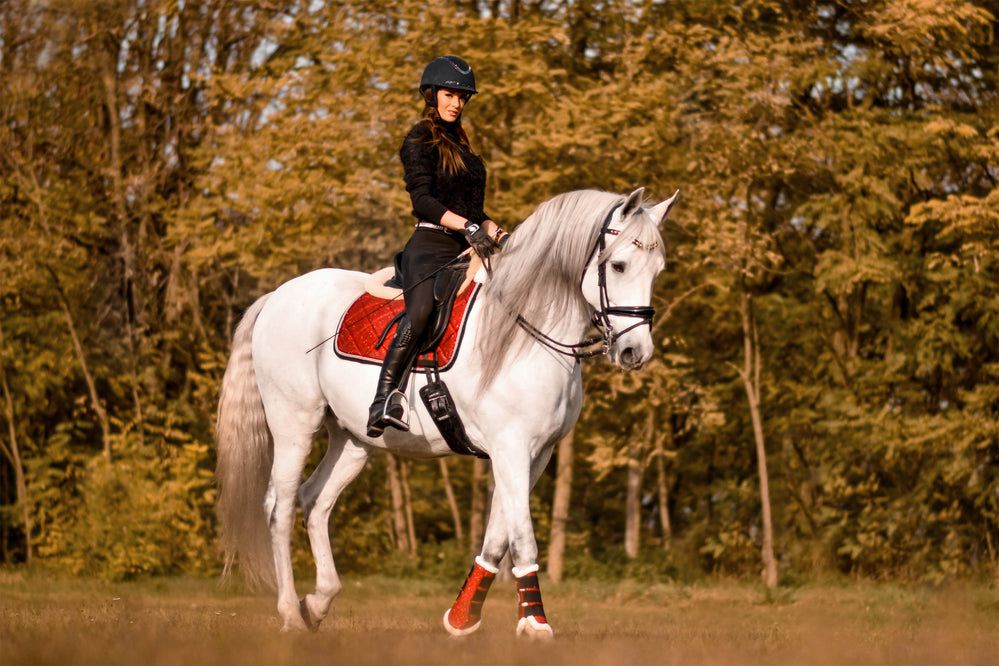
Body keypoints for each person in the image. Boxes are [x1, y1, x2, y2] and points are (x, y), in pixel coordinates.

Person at [367, 55, 504, 438]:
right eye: (449, 94)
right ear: (432, 95)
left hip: (465, 248)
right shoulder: (418, 140)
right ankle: (385, 396)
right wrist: (469, 225)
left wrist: (501, 234)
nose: (456, 103)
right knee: (423, 307)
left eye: (462, 97)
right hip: (428, 244)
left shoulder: (466, 149)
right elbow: (423, 200)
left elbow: (474, 211)